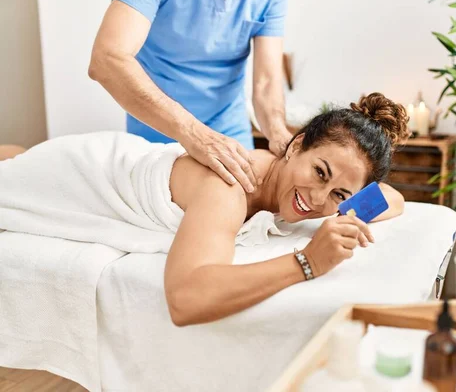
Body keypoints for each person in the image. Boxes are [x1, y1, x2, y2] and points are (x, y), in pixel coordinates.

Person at [0, 93, 410, 325]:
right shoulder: (230, 187)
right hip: (85, 174)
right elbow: (184, 299)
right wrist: (308, 262)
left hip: (125, 161)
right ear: (296, 145)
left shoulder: (311, 191)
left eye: (340, 194)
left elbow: (395, 198)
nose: (319, 200)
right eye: (319, 173)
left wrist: (349, 205)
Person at [88, 0, 293, 194]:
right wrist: (194, 133)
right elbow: (107, 59)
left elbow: (266, 82)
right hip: (156, 133)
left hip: (229, 133)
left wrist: (278, 133)